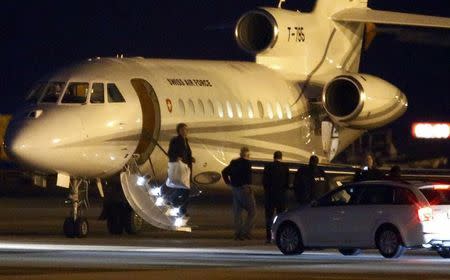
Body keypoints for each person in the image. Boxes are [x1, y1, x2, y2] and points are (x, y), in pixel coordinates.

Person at [222, 146, 256, 240]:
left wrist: (228, 183)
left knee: (238, 212)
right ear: (247, 154)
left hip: (235, 189)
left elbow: (224, 172)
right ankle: (246, 232)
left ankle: (238, 233)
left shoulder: (234, 162)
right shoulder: (247, 163)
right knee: (252, 211)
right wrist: (250, 187)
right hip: (245, 188)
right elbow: (248, 177)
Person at [164, 123, 195, 216]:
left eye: (186, 129)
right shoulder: (175, 140)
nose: (185, 131)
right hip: (179, 167)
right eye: (183, 129)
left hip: (186, 168)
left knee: (184, 189)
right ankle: (178, 206)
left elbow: (187, 154)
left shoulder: (186, 140)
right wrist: (176, 157)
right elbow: (170, 153)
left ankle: (177, 205)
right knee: (185, 190)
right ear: (179, 131)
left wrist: (191, 158)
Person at [263, 151, 289, 244]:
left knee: (269, 217)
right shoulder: (285, 167)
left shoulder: (268, 166)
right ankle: (279, 237)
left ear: (273, 157)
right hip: (281, 196)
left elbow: (264, 182)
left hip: (270, 195)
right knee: (281, 217)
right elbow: (287, 183)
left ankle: (268, 237)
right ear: (281, 157)